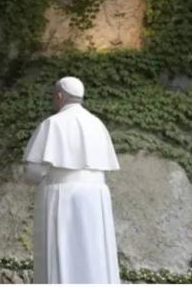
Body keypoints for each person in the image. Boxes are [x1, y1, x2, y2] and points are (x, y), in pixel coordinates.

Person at [23, 76, 121, 284]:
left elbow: (33, 170)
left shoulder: (53, 123)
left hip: (63, 196)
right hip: (96, 197)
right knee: (95, 251)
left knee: (63, 252)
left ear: (59, 96)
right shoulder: (97, 124)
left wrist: (33, 178)